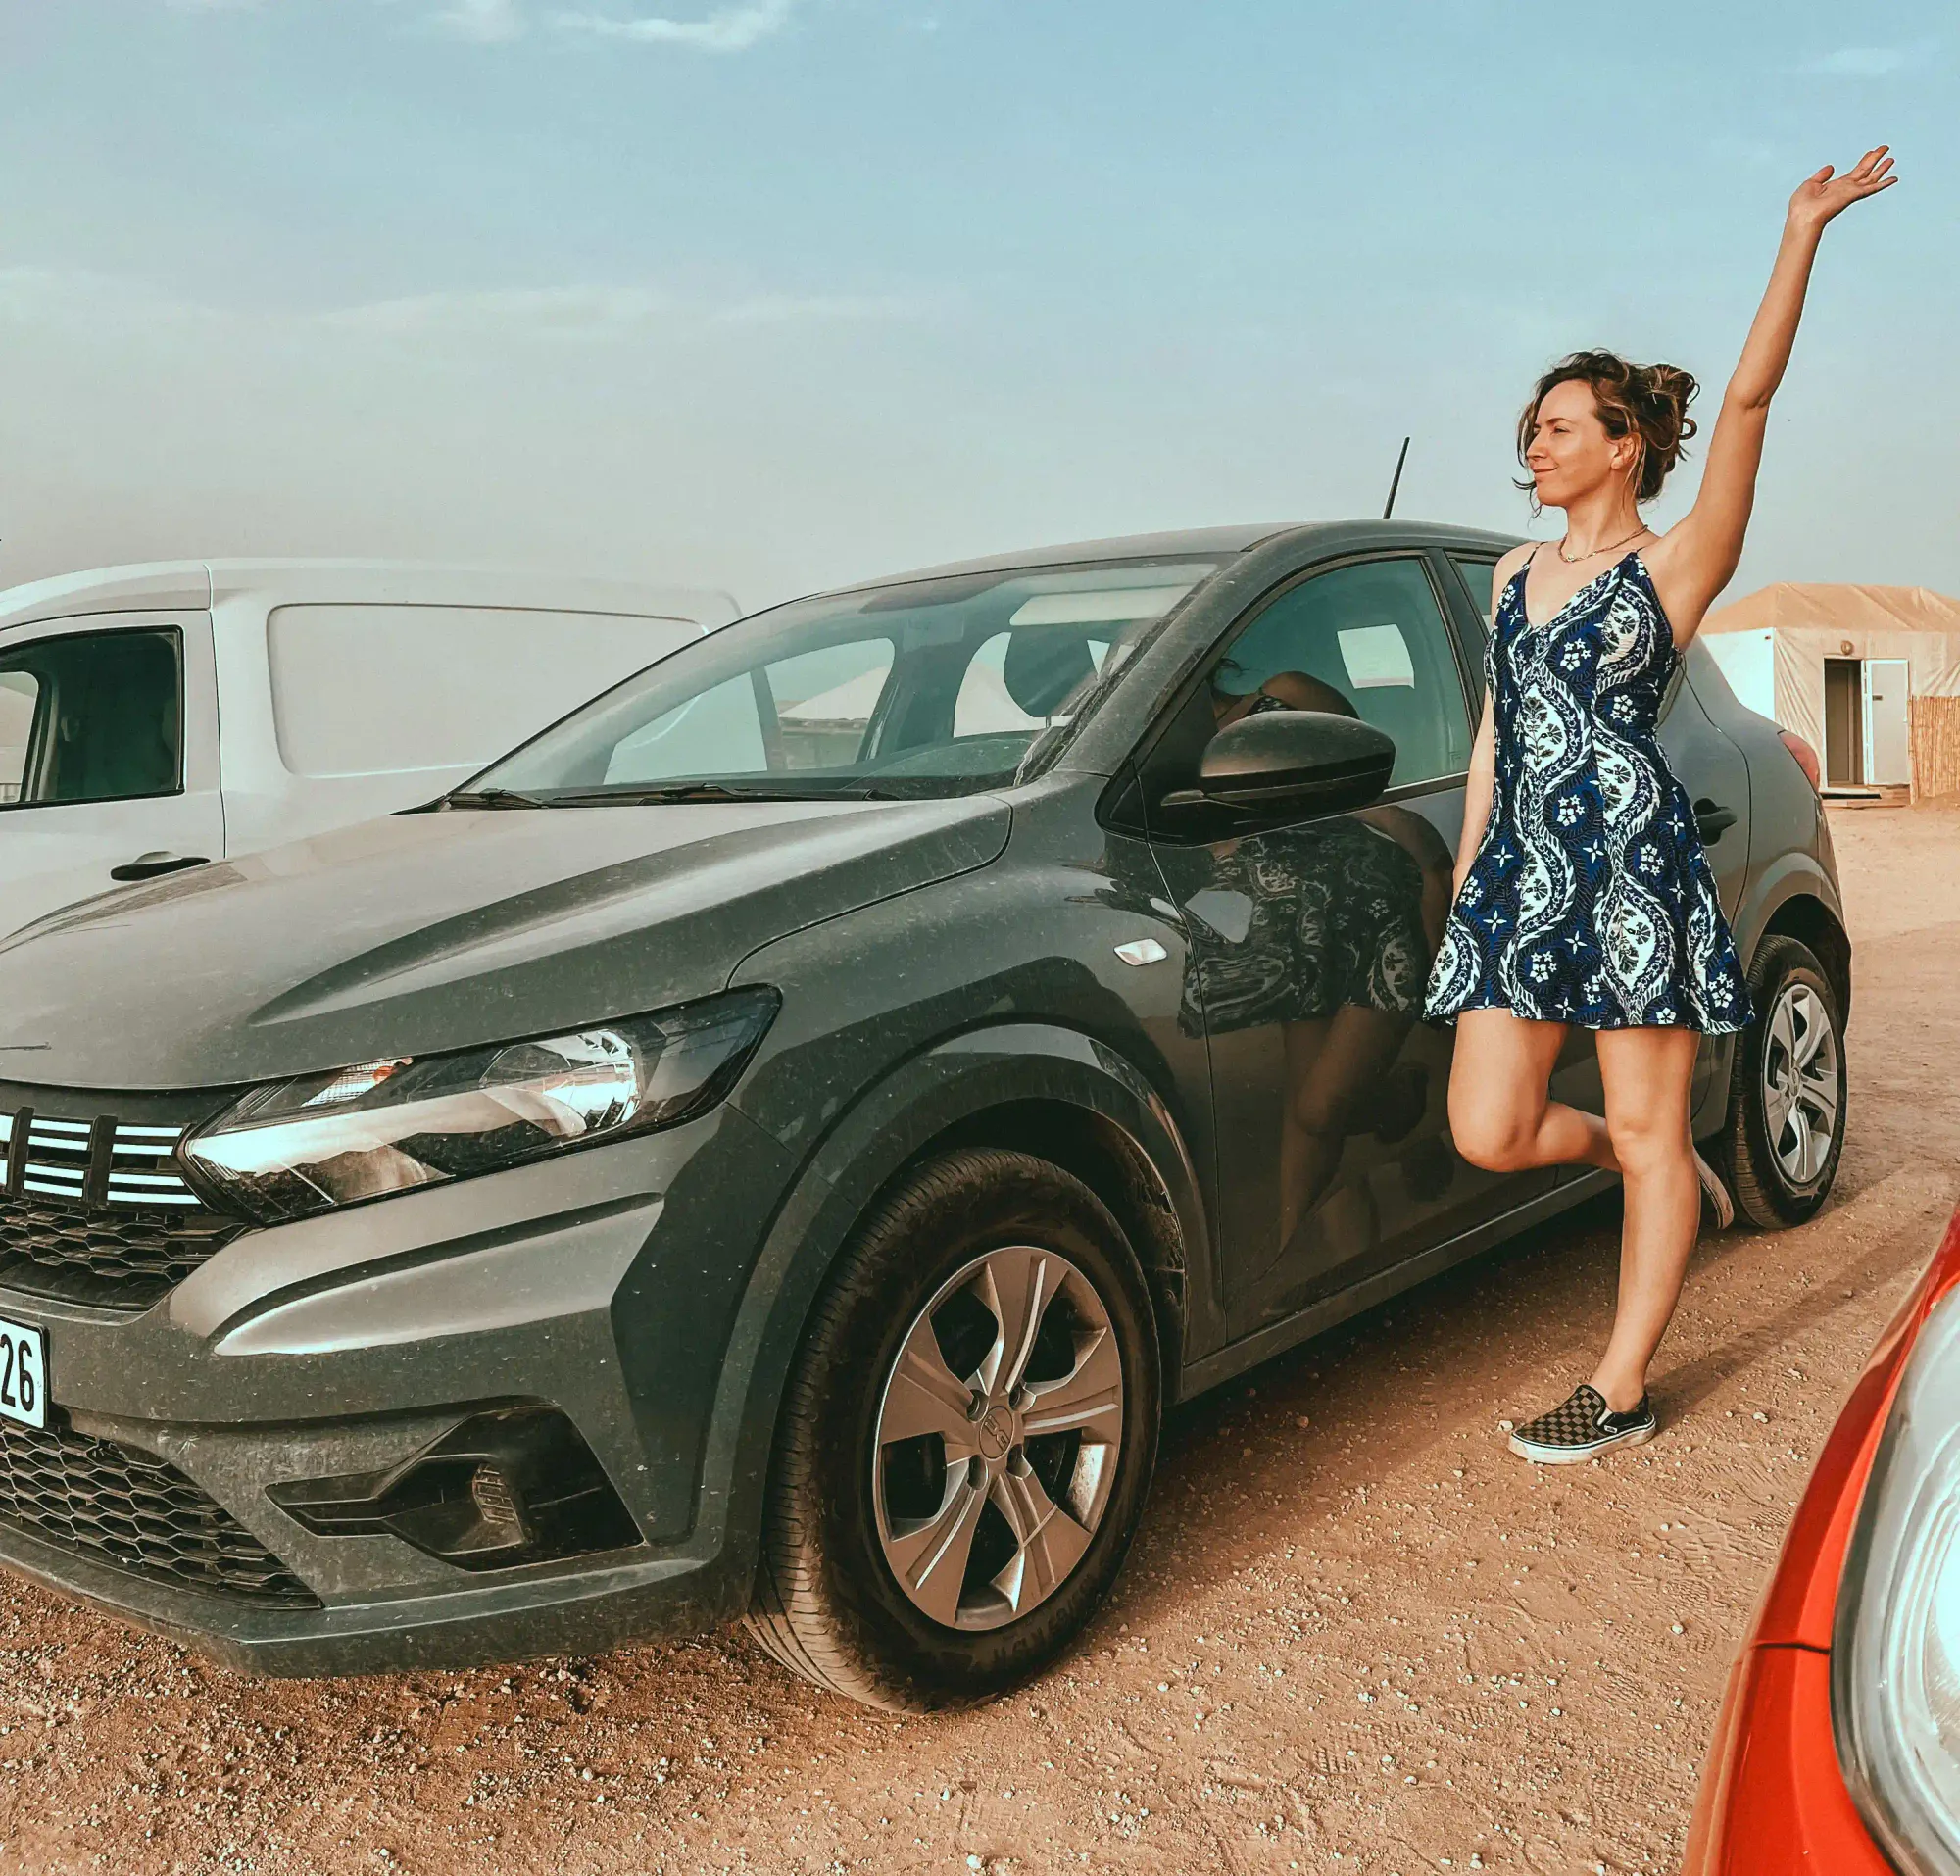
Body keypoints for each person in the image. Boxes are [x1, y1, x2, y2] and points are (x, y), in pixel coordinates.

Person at [1424, 148, 1897, 1464]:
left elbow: (1746, 400)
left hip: (1633, 870)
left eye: (1564, 422)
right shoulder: (1514, 572)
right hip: (1522, 872)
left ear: (1625, 446)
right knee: (1491, 1123)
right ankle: (1665, 1175)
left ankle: (1622, 1381)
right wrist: (1472, 869)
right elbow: (1490, 738)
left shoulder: (1680, 560)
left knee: (1646, 1116)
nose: (1538, 438)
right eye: (1534, 422)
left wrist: (1801, 232)